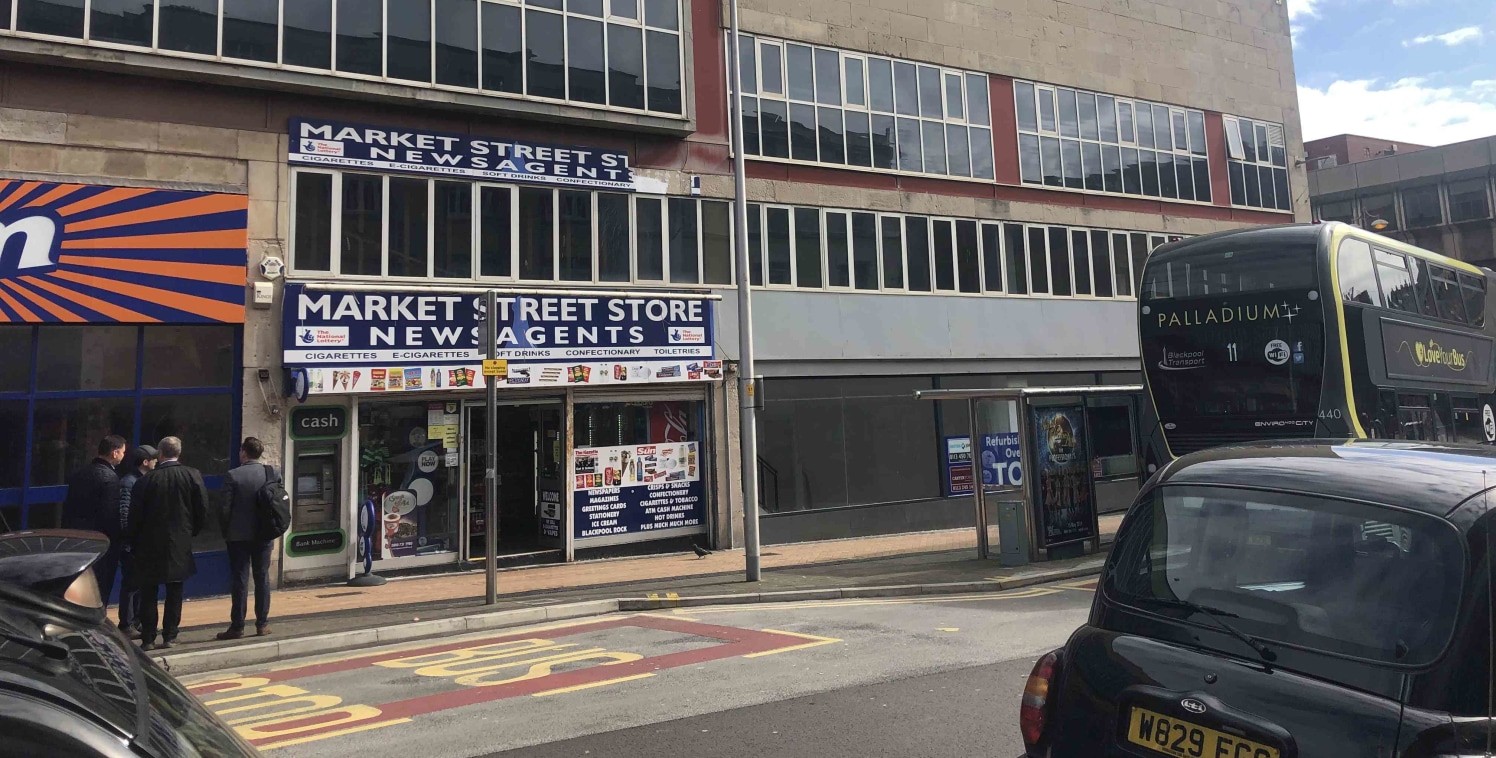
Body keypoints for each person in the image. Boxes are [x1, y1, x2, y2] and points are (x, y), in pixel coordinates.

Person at [128, 436, 207, 651]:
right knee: (175, 592)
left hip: (149, 543)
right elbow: (202, 510)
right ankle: (170, 636)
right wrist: (191, 532)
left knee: (148, 593)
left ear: (160, 454)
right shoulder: (192, 475)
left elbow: (134, 516)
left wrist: (134, 541)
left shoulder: (146, 481)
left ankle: (148, 638)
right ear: (178, 453)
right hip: (179, 542)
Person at [217, 437, 277, 640]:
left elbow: (224, 508)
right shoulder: (272, 473)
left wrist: (225, 531)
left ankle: (238, 626)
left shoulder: (233, 475)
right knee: (262, 578)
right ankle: (262, 624)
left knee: (240, 580)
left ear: (243, 452)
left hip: (238, 536)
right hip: (265, 534)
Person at [61, 436, 126, 599]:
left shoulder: (79, 473)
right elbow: (110, 516)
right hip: (100, 543)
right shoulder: (110, 478)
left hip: (76, 537)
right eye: (123, 452)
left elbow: (69, 506)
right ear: (115, 453)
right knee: (99, 589)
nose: (124, 456)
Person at [112, 445, 157, 639]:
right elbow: (124, 512)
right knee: (130, 584)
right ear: (145, 462)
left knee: (139, 583)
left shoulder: (143, 480)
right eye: (154, 459)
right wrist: (129, 538)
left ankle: (136, 621)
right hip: (131, 543)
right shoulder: (129, 482)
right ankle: (126, 623)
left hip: (142, 541)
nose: (157, 462)